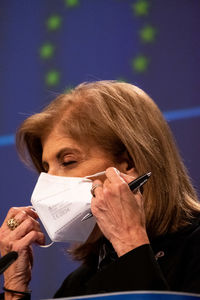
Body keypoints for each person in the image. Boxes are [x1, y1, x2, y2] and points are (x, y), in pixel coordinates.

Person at [0, 80, 200, 300]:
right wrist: (14, 286)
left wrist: (130, 241)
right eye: (46, 169)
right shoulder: (80, 281)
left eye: (68, 161)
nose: (50, 183)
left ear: (128, 163)